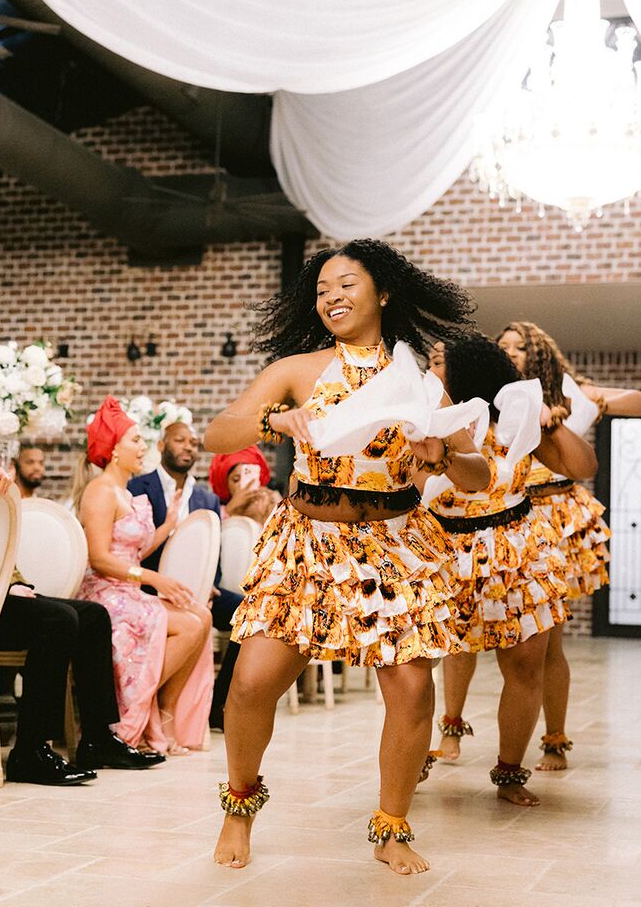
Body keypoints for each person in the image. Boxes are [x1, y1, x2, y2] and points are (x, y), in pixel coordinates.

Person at [204, 238, 490, 875]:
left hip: (390, 545)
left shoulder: (420, 384)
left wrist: (441, 456)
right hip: (307, 540)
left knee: (413, 693)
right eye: (322, 290)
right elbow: (217, 432)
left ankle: (391, 828)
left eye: (346, 285)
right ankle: (239, 805)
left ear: (383, 293)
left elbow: (478, 472)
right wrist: (277, 421)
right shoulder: (299, 369)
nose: (330, 297)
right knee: (251, 685)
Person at [0, 373, 161, 785]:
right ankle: (31, 750)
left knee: (91, 615)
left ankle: (97, 740)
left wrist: (14, 581)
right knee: (57, 620)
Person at [424, 334, 597, 807]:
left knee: (524, 666)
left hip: (517, 552)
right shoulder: (422, 424)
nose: (429, 371)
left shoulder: (514, 423)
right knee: (419, 661)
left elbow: (583, 466)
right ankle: (418, 749)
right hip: (443, 551)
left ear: (469, 372)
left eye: (439, 363)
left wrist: (550, 421)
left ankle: (509, 771)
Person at [498, 320, 641, 771]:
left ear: (539, 355)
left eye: (519, 347)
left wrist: (598, 398)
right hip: (509, 518)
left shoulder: (565, 394)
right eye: (502, 346)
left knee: (548, 643)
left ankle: (554, 739)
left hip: (556, 519)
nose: (509, 352)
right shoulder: (493, 399)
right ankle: (455, 731)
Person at [76, 399, 213, 754]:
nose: (142, 448)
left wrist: (170, 524)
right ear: (114, 449)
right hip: (105, 592)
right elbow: (99, 557)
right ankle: (149, 712)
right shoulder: (100, 491)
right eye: (135, 440)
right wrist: (154, 579)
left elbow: (135, 544)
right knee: (185, 624)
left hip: (130, 587)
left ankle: (162, 709)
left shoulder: (126, 492)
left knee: (201, 614)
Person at [128, 422, 239, 731]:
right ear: (161, 445)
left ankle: (218, 706)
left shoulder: (207, 500)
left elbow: (212, 553)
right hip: (150, 589)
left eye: (193, 443)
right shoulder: (137, 488)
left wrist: (210, 585)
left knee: (248, 615)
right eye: (180, 440)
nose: (189, 447)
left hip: (197, 592)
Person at [209, 446, 278, 526]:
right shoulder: (215, 508)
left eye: (248, 476)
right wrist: (230, 508)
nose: (242, 483)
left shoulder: (269, 501)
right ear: (226, 483)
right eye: (236, 479)